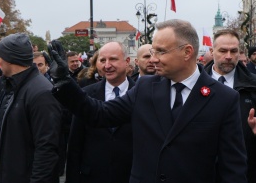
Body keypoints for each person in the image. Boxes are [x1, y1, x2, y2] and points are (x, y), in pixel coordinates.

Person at [50, 19, 247, 183]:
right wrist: (64, 82)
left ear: (187, 52)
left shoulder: (224, 98)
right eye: (153, 52)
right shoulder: (145, 87)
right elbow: (99, 114)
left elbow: (233, 168)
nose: (153, 59)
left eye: (160, 51)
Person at [0, 33, 61, 183]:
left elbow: (46, 149)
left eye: (0, 56)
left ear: (10, 58)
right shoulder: (6, 85)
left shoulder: (42, 92)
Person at [66, 42, 134, 183]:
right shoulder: (86, 94)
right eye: (102, 60)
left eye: (113, 59)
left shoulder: (142, 93)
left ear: (127, 61)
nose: (107, 66)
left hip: (131, 176)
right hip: (92, 177)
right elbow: (75, 143)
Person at [204, 29, 256, 182]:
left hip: (245, 169)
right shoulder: (194, 84)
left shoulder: (253, 84)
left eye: (234, 51)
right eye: (223, 51)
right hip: (203, 169)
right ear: (212, 51)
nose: (228, 56)